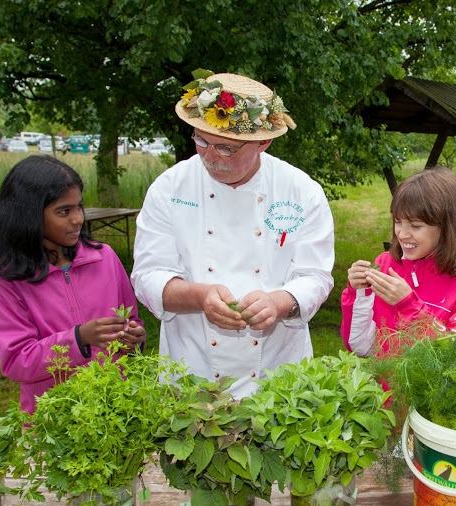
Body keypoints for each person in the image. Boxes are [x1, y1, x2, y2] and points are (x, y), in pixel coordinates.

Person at [130, 71, 334, 399]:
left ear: (262, 143)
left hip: (275, 372)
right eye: (201, 141)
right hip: (192, 369)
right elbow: (148, 275)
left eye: (226, 148)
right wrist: (200, 296)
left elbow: (315, 276)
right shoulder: (170, 188)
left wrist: (277, 303)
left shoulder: (300, 191)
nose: (210, 157)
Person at [0, 155, 146, 414]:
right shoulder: (7, 277)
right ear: (29, 216)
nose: (78, 218)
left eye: (79, 206)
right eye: (64, 211)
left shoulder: (104, 258)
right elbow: (16, 360)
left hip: (115, 412)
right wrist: (79, 339)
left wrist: (134, 338)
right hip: (53, 422)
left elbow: (131, 320)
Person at [341, 167, 456, 357]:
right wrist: (359, 293)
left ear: (447, 226)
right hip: (379, 386)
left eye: (416, 226)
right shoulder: (384, 265)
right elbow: (361, 347)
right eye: (398, 222)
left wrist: (408, 305)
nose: (402, 234)